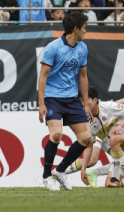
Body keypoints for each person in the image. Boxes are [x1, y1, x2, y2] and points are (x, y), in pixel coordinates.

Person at [38, 11, 92, 191]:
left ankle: (59, 171)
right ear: (76, 29)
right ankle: (47, 176)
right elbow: (43, 76)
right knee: (56, 135)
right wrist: (41, 103)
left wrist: (85, 102)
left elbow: (83, 76)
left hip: (72, 99)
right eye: (84, 28)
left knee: (86, 138)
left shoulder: (82, 48)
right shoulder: (53, 47)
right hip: (53, 98)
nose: (86, 31)